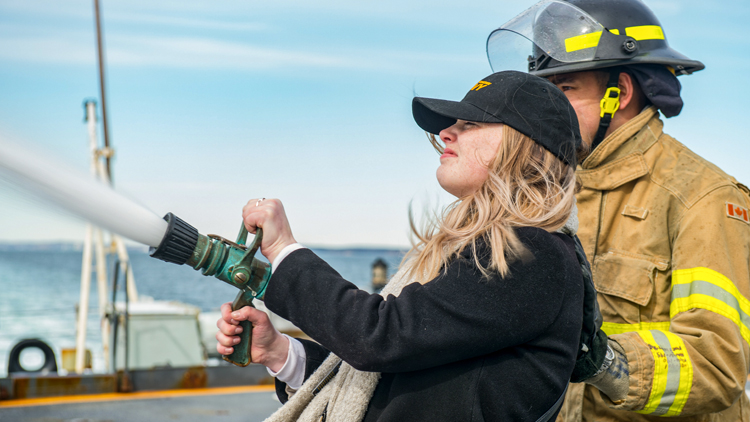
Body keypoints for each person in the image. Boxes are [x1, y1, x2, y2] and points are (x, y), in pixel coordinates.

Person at [215, 71, 589, 421]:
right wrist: (284, 354)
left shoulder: (532, 254)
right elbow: (399, 388)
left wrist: (282, 248)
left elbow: (380, 337)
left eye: (469, 124)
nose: (445, 133)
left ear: (524, 145)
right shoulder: (499, 251)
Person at [487, 0, 750, 420]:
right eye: (543, 91)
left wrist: (603, 361)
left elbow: (716, 365)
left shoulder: (704, 198)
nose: (544, 109)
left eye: (565, 89)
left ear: (620, 94)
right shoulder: (544, 194)